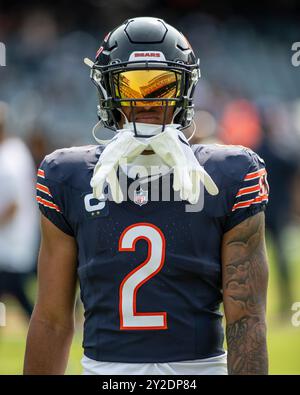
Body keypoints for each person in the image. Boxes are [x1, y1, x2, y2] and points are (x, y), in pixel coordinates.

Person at [24, 17, 269, 375]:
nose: (147, 101)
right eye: (131, 84)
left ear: (184, 88)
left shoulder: (228, 175)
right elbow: (52, 318)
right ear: (108, 88)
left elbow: (245, 319)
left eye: (161, 86)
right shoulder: (68, 177)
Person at [0, 102, 38, 320]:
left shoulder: (6, 160)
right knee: (20, 294)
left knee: (20, 294)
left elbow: (12, 205)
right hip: (20, 239)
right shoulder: (16, 150)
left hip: (10, 245)